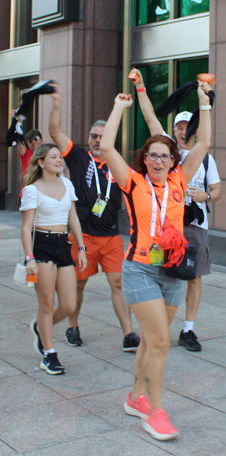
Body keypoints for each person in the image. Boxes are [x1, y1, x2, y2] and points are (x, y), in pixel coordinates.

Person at [100, 85, 211, 440]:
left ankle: (135, 397)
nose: (160, 161)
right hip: (140, 269)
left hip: (173, 271)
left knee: (151, 341)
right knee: (161, 341)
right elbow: (106, 147)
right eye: (153, 156)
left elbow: (204, 143)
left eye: (165, 156)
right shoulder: (132, 182)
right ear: (144, 160)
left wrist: (205, 104)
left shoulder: (179, 178)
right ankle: (156, 412)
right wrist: (119, 107)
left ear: (173, 160)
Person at [130, 68, 220, 352]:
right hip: (156, 236)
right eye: (179, 127)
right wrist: (141, 88)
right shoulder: (167, 153)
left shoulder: (193, 163)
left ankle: (186, 329)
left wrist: (204, 103)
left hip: (191, 229)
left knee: (192, 278)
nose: (183, 131)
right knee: (156, 294)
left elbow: (204, 142)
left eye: (187, 126)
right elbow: (149, 117)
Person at [48, 84, 140, 351]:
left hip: (111, 237)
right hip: (83, 235)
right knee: (78, 283)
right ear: (88, 138)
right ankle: (72, 327)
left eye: (102, 136)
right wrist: (56, 103)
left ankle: (129, 334)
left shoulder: (117, 162)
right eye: (94, 136)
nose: (98, 140)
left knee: (118, 283)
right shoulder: (78, 157)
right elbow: (54, 132)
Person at [21, 143, 87, 374]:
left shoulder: (67, 184)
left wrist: (81, 247)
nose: (60, 160)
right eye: (53, 157)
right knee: (47, 304)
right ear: (41, 162)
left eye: (60, 157)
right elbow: (26, 227)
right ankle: (49, 354)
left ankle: (40, 327)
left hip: (64, 244)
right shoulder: (33, 189)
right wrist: (29, 258)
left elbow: (74, 219)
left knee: (69, 305)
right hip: (42, 246)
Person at [9, 109, 43, 195]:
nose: (33, 142)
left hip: (43, 192)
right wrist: (13, 121)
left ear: (41, 140)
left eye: (36, 139)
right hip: (28, 192)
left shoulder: (47, 153)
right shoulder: (26, 154)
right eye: (30, 141)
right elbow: (19, 140)